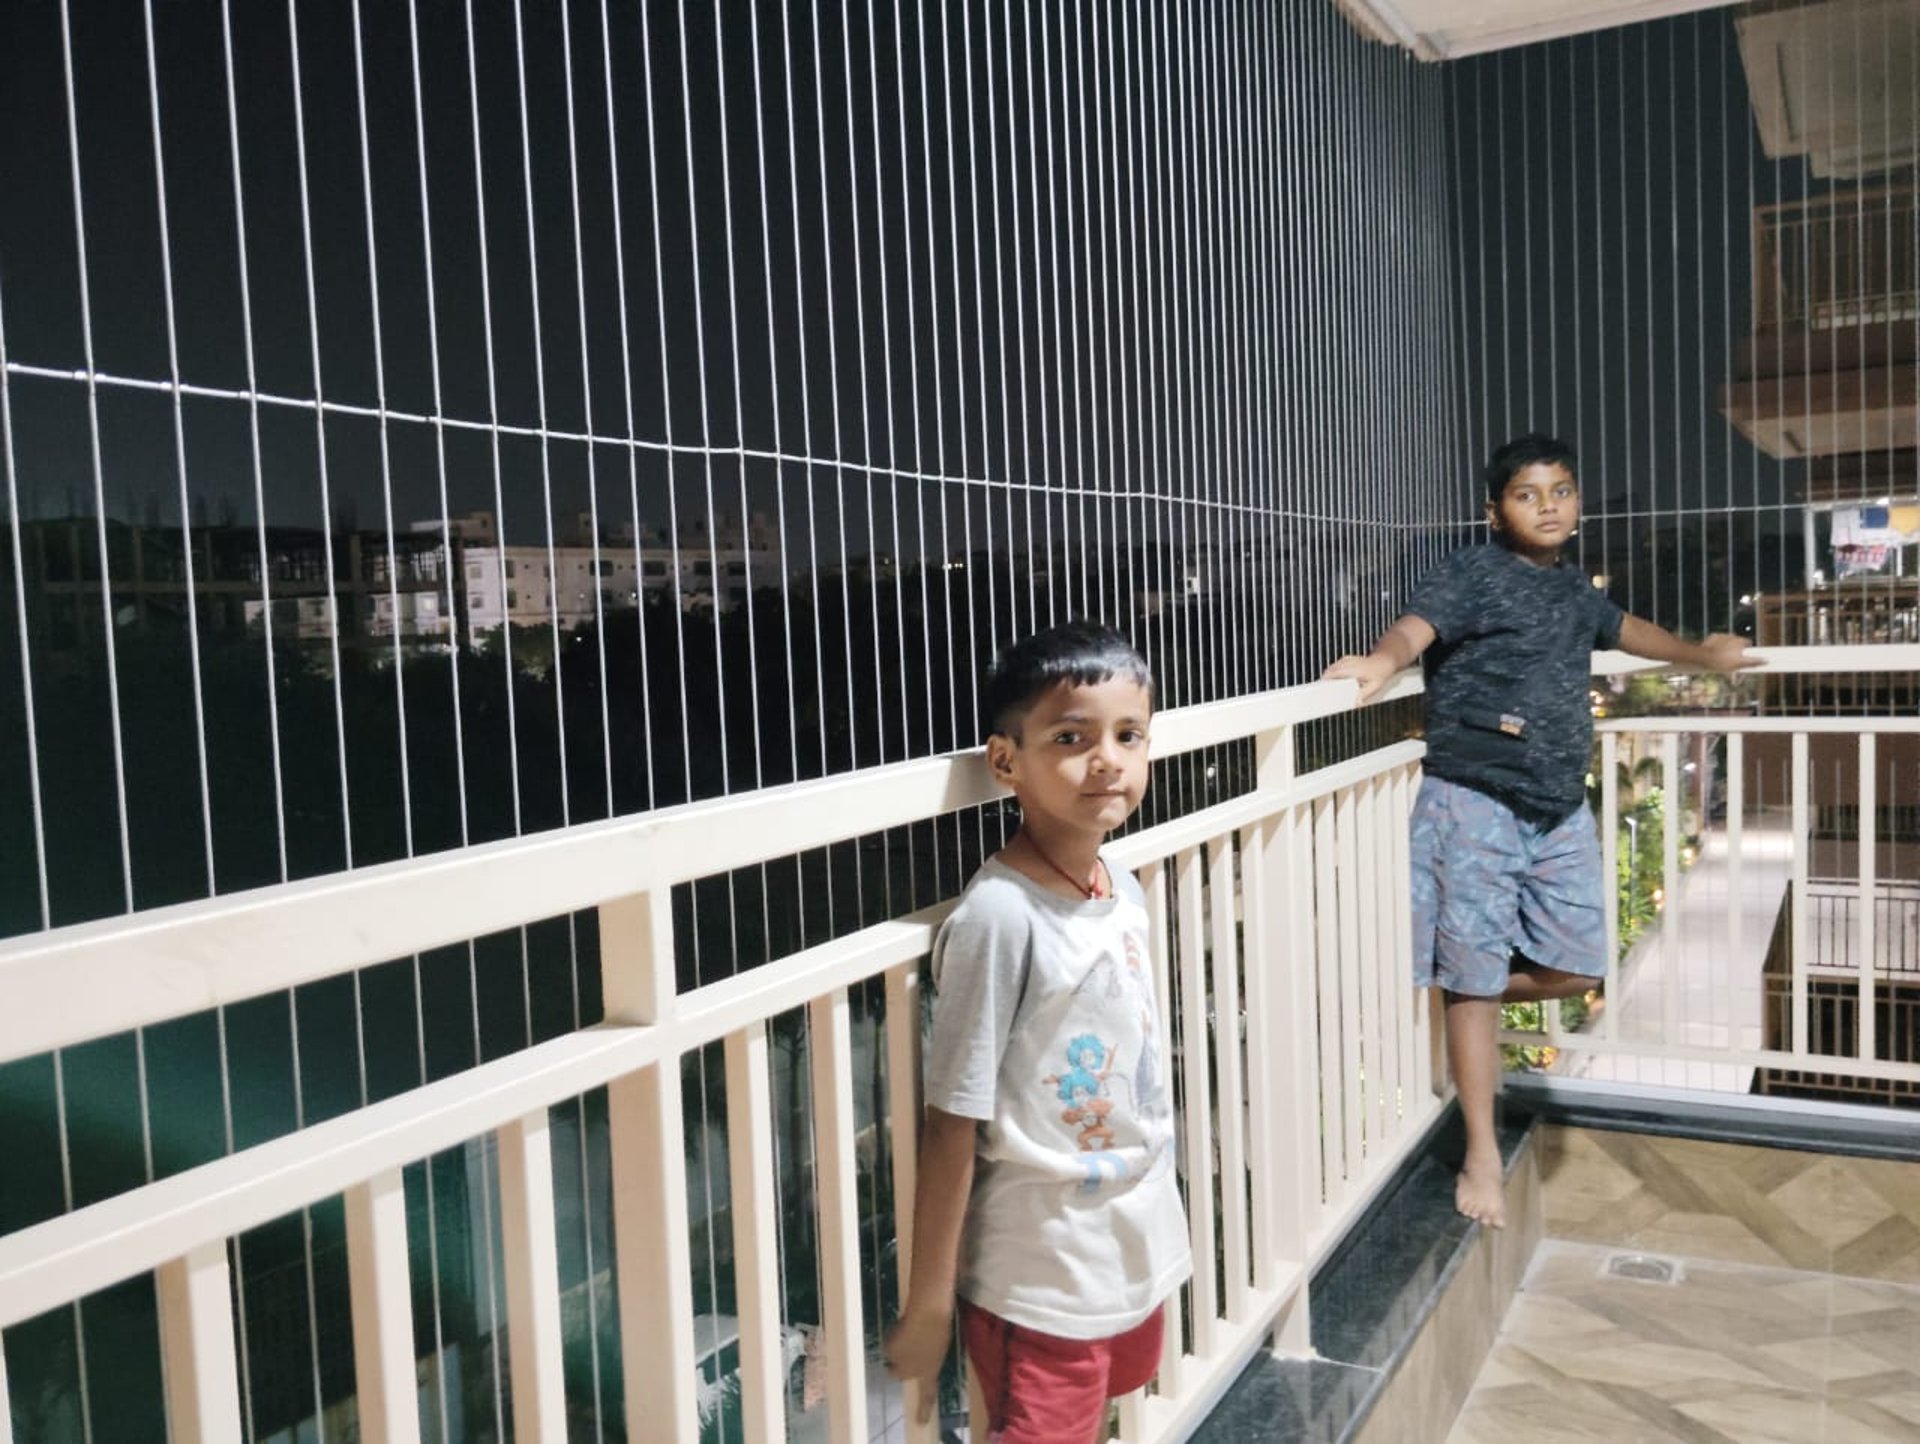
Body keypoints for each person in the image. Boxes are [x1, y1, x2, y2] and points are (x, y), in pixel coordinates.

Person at [1323, 434, 1755, 1228]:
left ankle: (1462, 992)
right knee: (1480, 976)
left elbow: (1632, 632)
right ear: (1496, 511)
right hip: (1474, 799)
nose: (1549, 504)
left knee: (1577, 966)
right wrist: (1380, 664)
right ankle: (1481, 1148)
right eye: (1529, 493)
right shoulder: (1471, 573)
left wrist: (1703, 656)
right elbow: (1414, 630)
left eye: (1561, 490)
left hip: (1556, 806)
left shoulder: (1574, 595)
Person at [884, 622, 1191, 1443]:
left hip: (1131, 1239)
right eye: (1071, 737)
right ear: (1006, 761)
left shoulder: (1118, 884)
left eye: (1130, 735)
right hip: (1043, 1266)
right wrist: (929, 1304)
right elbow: (953, 1120)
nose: (1109, 760)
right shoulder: (999, 917)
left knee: (1125, 1383)